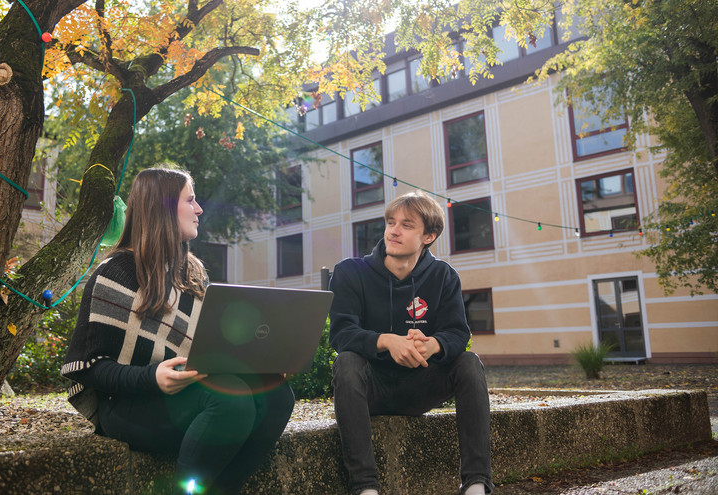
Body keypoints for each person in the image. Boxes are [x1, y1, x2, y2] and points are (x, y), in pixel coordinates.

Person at [62, 167, 294, 495]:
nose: (199, 209)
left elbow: (214, 354)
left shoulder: (193, 275)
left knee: (277, 395)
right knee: (230, 402)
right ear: (163, 207)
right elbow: (91, 367)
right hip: (127, 402)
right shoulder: (114, 274)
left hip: (187, 395)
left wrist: (263, 364)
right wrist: (151, 378)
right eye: (191, 199)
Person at [328, 190, 493, 495]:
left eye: (406, 225)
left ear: (428, 236)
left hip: (420, 386)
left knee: (469, 362)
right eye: (391, 222)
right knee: (346, 362)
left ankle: (476, 484)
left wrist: (434, 344)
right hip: (370, 389)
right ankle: (365, 488)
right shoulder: (350, 272)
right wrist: (386, 340)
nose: (393, 230)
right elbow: (341, 334)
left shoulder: (444, 276)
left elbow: (458, 333)